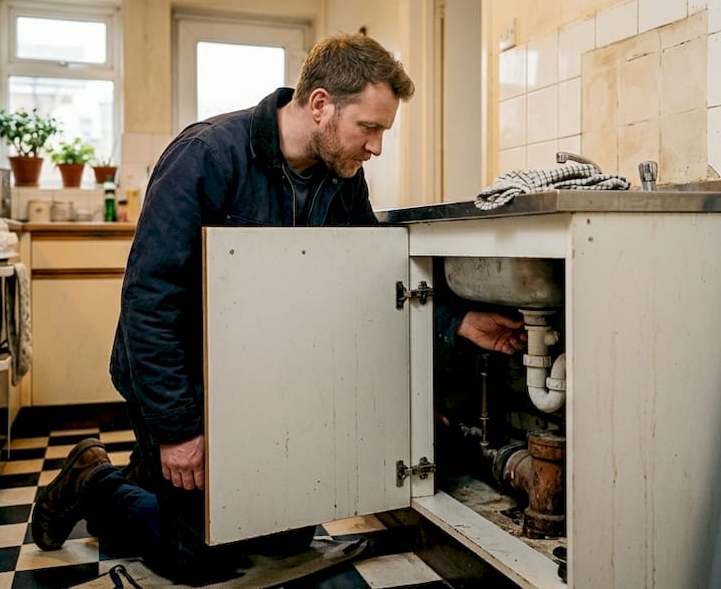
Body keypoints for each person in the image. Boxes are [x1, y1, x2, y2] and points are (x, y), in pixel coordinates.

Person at [30, 33, 526, 584]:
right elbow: (151, 301)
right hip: (183, 378)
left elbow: (367, 281)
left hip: (260, 377)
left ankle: (156, 481)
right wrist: (178, 430)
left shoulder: (343, 181)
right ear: (320, 105)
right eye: (370, 127)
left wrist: (457, 322)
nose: (377, 146)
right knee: (200, 556)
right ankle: (91, 478)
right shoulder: (208, 156)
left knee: (283, 526)